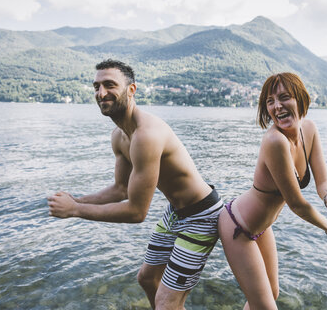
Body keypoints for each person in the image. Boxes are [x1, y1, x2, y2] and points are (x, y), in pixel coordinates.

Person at [47, 59, 223, 309]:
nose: (101, 93)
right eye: (96, 86)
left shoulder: (146, 135)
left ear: (131, 90)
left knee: (166, 301)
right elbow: (120, 189)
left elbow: (137, 212)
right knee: (147, 278)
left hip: (201, 214)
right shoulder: (120, 136)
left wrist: (75, 210)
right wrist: (77, 199)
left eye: (110, 85)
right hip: (176, 212)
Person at [218, 72, 327, 309]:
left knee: (271, 294)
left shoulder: (308, 129)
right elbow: (296, 204)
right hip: (238, 227)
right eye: (270, 101)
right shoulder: (274, 141)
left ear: (300, 98)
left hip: (261, 227)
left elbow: (323, 181)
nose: (277, 106)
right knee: (266, 305)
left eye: (284, 97)